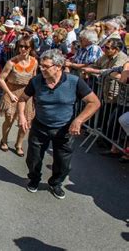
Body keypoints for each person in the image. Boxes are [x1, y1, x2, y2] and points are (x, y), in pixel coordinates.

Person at [18, 49, 100, 199]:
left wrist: (79, 120)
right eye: (40, 65)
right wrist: (22, 117)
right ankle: (34, 179)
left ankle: (55, 183)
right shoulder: (36, 81)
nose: (41, 69)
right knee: (33, 158)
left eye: (45, 66)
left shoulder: (75, 82)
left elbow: (94, 102)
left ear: (58, 66)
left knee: (63, 163)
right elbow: (22, 99)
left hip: (64, 129)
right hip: (40, 127)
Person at [0, 37, 38, 156]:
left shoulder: (34, 62)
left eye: (25, 47)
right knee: (9, 120)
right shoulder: (11, 62)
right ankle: (4, 140)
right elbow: (1, 79)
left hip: (27, 95)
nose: (22, 49)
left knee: (25, 122)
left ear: (30, 48)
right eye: (20, 46)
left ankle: (18, 144)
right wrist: (9, 94)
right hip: (12, 92)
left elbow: (34, 80)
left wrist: (35, 95)